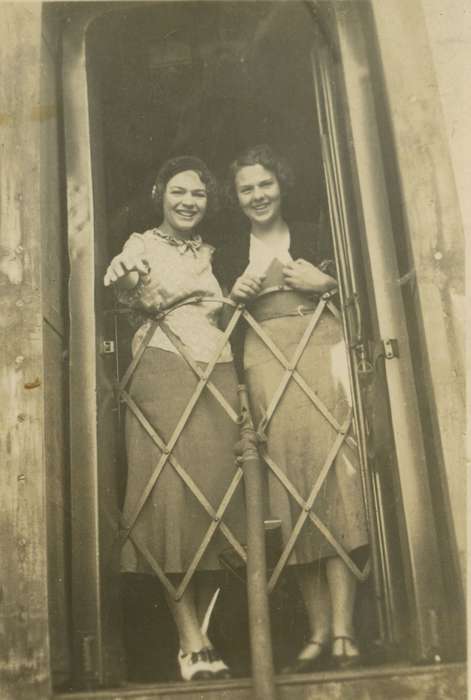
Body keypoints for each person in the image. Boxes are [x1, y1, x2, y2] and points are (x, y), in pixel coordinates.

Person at [221, 144, 369, 672]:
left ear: (280, 184)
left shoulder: (320, 230)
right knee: (290, 487)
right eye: (247, 189)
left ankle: (346, 629)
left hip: (320, 346)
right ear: (235, 198)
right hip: (264, 358)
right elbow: (214, 325)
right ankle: (318, 630)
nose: (258, 195)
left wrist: (326, 283)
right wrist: (231, 297)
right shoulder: (225, 249)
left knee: (336, 479)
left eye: (265, 184)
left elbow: (367, 288)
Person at [104, 156, 245, 682]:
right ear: (160, 192)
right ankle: (188, 637)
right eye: (179, 192)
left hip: (219, 372)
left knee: (214, 501)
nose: (188, 202)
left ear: (210, 202)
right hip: (162, 369)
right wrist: (124, 274)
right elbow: (122, 280)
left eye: (199, 195)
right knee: (170, 500)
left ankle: (202, 631)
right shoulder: (141, 244)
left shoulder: (215, 253)